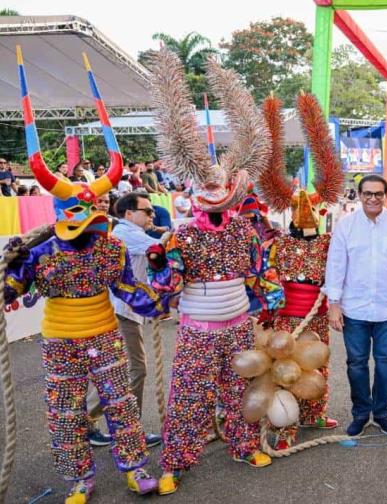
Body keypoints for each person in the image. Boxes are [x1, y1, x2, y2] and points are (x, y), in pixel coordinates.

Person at [6, 51, 164, 501]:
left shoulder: (110, 247)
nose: (87, 217)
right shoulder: (41, 252)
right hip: (59, 341)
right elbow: (15, 286)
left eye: (92, 209)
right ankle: (81, 479)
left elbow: (129, 290)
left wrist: (159, 294)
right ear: (60, 212)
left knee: (122, 407)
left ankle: (134, 468)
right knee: (64, 411)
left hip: (104, 335)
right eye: (77, 210)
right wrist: (11, 276)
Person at [146, 48, 283, 495]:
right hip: (198, 330)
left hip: (237, 327)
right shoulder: (181, 236)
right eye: (206, 186)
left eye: (220, 185)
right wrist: (160, 267)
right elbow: (167, 284)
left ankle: (244, 445)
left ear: (233, 187)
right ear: (194, 190)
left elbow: (261, 273)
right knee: (187, 397)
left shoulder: (245, 228)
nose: (214, 192)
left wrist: (270, 305)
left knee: (240, 389)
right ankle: (175, 461)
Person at [254, 94, 343, 449]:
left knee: (319, 362)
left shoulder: (329, 241)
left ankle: (315, 412)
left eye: (313, 207)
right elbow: (268, 275)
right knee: (286, 368)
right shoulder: (279, 242)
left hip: (317, 313)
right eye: (298, 207)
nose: (306, 211)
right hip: (288, 316)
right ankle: (285, 424)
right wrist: (271, 312)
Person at [326, 173, 387, 437]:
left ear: (386, 196)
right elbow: (335, 266)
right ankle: (360, 413)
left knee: (385, 362)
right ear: (359, 195)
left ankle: (381, 413)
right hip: (353, 309)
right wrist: (334, 303)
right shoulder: (346, 226)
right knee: (356, 363)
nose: (373, 198)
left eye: (379, 194)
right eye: (368, 193)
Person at [85, 192, 164, 449]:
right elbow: (160, 247)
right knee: (135, 370)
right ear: (129, 213)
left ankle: (88, 420)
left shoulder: (128, 232)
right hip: (122, 312)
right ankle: (129, 430)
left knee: (114, 371)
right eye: (148, 211)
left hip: (124, 311)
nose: (152, 215)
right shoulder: (126, 232)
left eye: (152, 211)